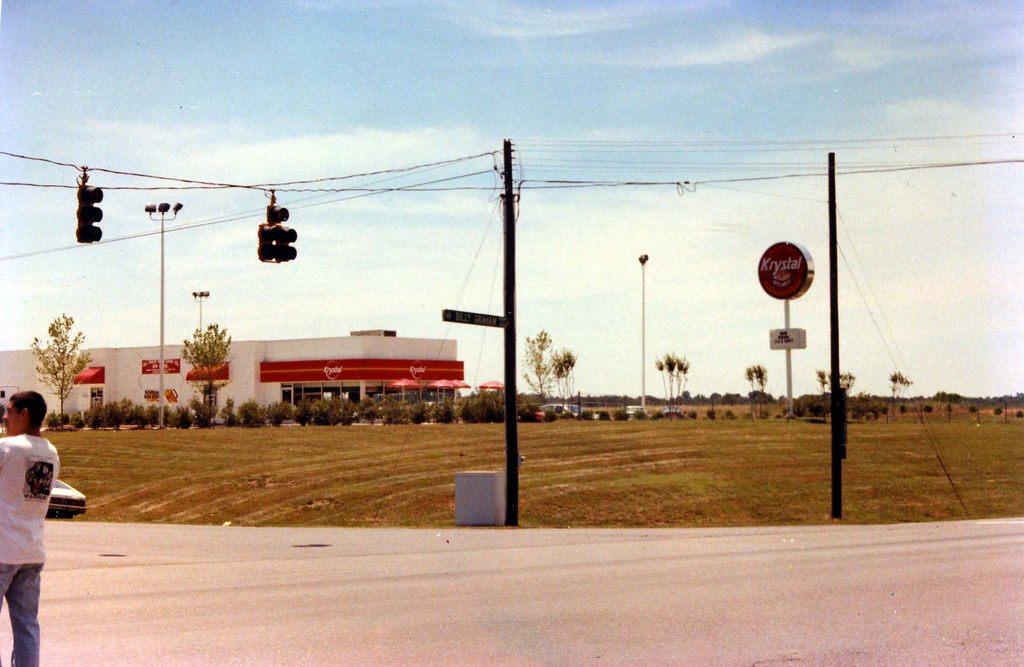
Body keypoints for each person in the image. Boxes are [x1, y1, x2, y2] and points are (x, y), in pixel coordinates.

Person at [0, 391, 59, 667]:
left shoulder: (8, 448)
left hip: (2, 549)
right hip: (31, 551)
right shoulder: (51, 453)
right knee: (26, 626)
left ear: (24, 414)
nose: (5, 416)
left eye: (9, 410)